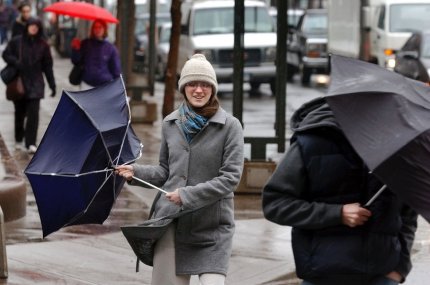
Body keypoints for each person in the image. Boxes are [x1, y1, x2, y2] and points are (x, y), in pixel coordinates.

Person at [115, 54, 244, 285]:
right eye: (192, 84)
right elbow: (165, 172)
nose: (198, 90)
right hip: (172, 223)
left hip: (212, 226)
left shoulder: (230, 126)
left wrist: (186, 195)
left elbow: (230, 178)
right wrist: (136, 172)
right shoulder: (170, 123)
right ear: (183, 88)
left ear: (213, 89)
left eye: (204, 84)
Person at [262, 97, 418, 285]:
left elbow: (408, 215)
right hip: (323, 274)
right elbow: (275, 204)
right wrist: (337, 214)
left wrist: (400, 269)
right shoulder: (312, 143)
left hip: (382, 276)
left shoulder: (397, 149)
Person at [2, 17, 56, 153]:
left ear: (39, 29)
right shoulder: (17, 41)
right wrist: (16, 62)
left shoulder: (43, 45)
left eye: (36, 26)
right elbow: (6, 54)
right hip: (20, 82)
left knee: (33, 114)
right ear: (27, 27)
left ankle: (30, 142)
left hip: (36, 83)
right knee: (19, 113)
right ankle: (19, 138)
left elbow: (48, 66)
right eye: (31, 26)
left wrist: (52, 84)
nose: (33, 28)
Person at [70, 19, 120, 89]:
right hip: (86, 85)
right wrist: (75, 49)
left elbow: (116, 71)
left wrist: (119, 88)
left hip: (104, 87)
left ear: (104, 29)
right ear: (92, 29)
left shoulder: (111, 48)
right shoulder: (85, 44)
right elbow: (75, 61)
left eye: (100, 27)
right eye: (95, 27)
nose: (97, 29)